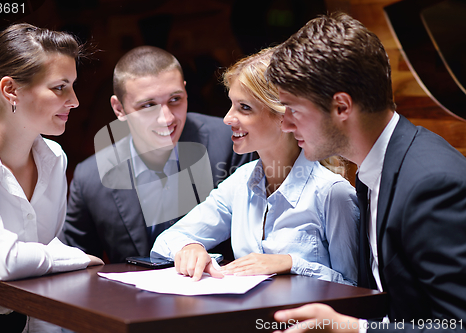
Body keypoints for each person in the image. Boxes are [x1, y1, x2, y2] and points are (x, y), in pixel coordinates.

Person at [266, 12, 466, 333]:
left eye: (294, 109)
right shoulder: (371, 168)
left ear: (342, 107)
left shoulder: (431, 184)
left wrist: (354, 329)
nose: (286, 124)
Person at [151, 48, 359, 285]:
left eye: (244, 108)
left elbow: (356, 290)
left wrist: (292, 264)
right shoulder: (240, 182)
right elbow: (168, 240)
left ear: (285, 115)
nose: (228, 118)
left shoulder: (333, 193)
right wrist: (190, 247)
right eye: (231, 105)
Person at [0, 23, 103, 332]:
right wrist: (74, 257)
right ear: (10, 90)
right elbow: (5, 263)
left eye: (73, 85)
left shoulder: (54, 158)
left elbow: (38, 272)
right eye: (60, 87)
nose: (75, 100)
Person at [62, 46, 254, 264]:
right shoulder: (90, 177)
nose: (166, 118)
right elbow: (75, 264)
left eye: (175, 99)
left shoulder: (230, 142)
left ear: (185, 90)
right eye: (148, 105)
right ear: (119, 109)